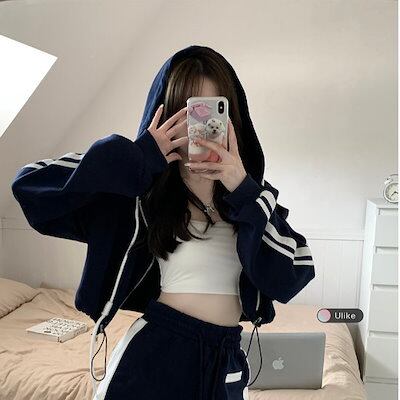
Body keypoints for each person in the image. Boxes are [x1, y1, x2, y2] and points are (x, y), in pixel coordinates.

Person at [11, 45, 315, 400]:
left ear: (232, 116)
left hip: (225, 357)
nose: (201, 125)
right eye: (189, 110)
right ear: (168, 112)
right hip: (156, 355)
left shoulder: (251, 197)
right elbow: (30, 186)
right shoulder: (144, 190)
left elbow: (293, 274)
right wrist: (140, 156)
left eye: (213, 109)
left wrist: (243, 188)